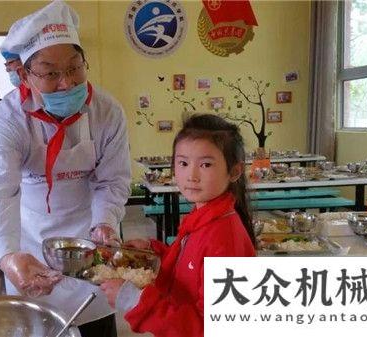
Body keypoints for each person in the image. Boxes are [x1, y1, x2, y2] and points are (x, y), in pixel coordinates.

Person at [0, 1, 130, 336]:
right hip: (30, 247)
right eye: (50, 73)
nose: (67, 83)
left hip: (89, 246)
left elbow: (112, 181)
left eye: (75, 68)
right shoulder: (7, 120)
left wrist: (105, 222)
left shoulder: (106, 112)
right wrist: (7, 256)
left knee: (97, 327)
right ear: (23, 75)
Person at [100, 114, 256, 337]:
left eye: (205, 164)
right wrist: (152, 251)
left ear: (234, 172)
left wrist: (133, 300)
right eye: (183, 163)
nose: (191, 175)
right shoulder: (203, 216)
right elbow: (188, 268)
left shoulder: (224, 238)